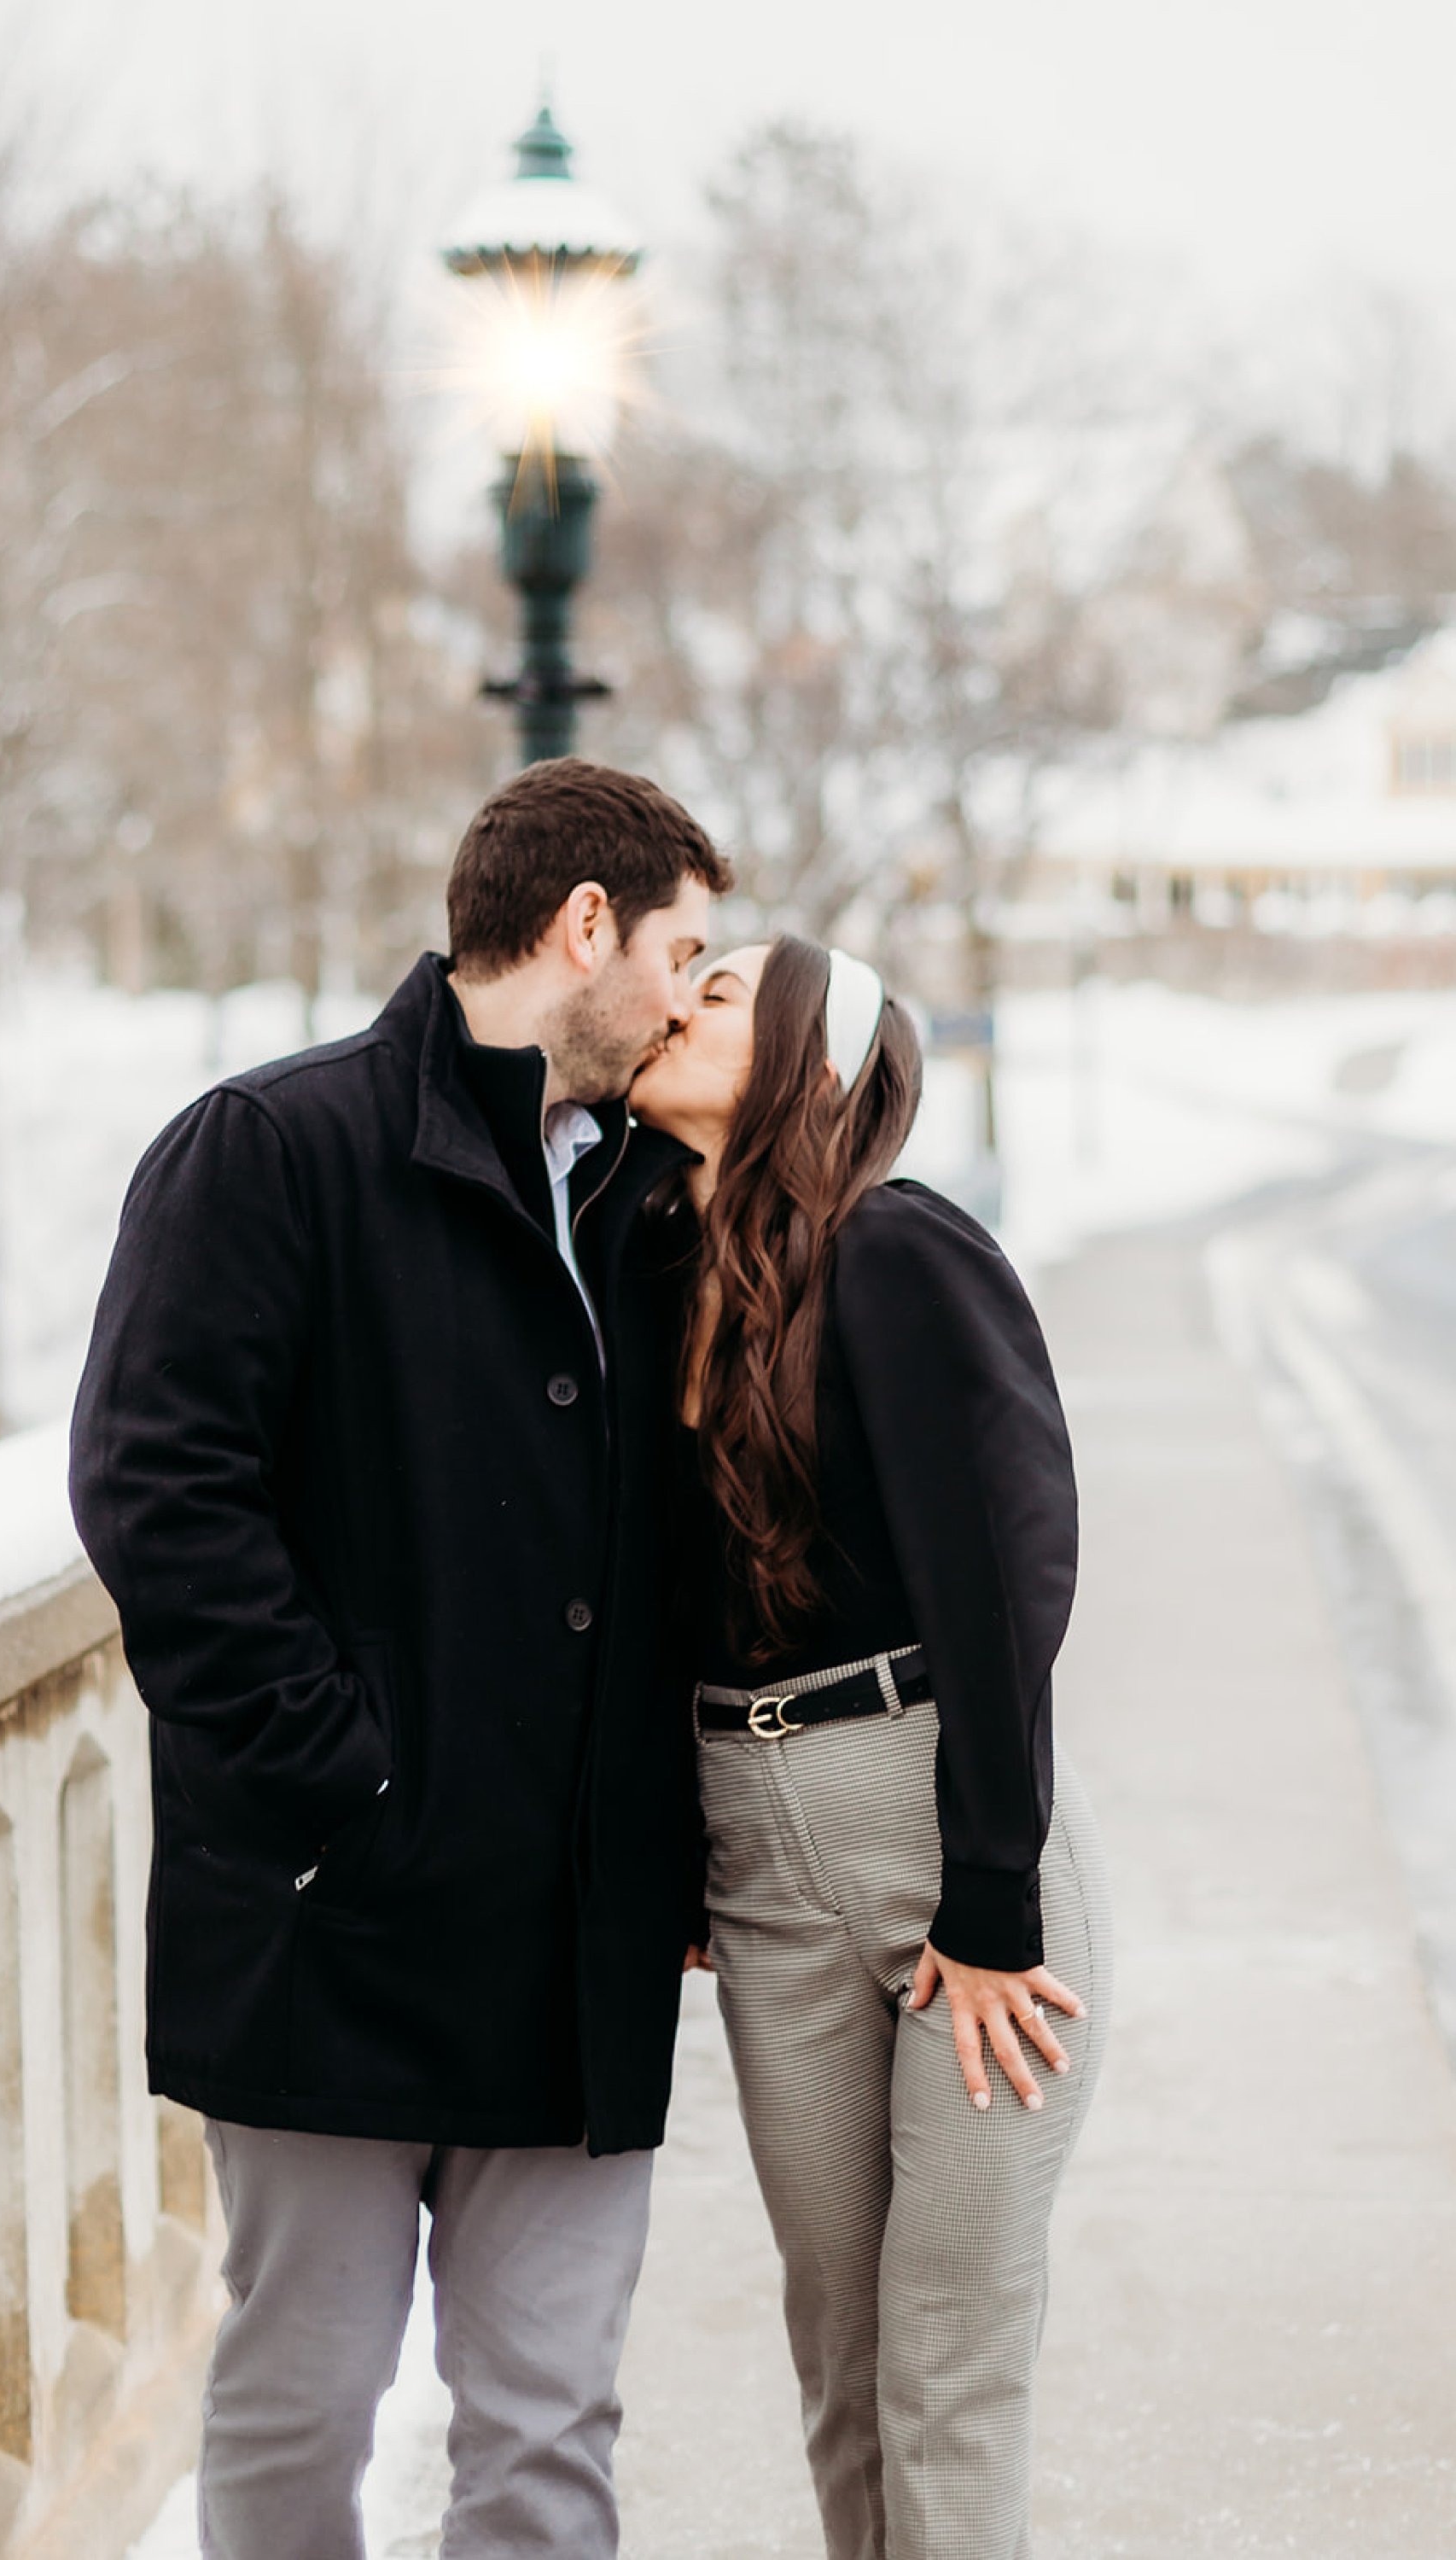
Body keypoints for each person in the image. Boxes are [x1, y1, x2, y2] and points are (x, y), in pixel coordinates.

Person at [68, 757, 731, 2560]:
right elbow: (158, 1496)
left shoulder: (655, 1202)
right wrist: (341, 1787)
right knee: (303, 2398)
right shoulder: (270, 1150)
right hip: (329, 1925)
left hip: (576, 1942)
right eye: (683, 949)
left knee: (550, 2425)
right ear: (581, 925)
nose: (690, 995)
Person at [629, 934, 1111, 2560]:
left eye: (715, 994)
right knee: (840, 2363)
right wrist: (690, 1854)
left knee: (949, 2367)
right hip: (760, 1857)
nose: (673, 1004)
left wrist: (994, 1893)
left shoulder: (901, 1254)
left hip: (939, 1836)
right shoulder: (659, 1271)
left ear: (806, 1067)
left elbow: (1004, 1576)